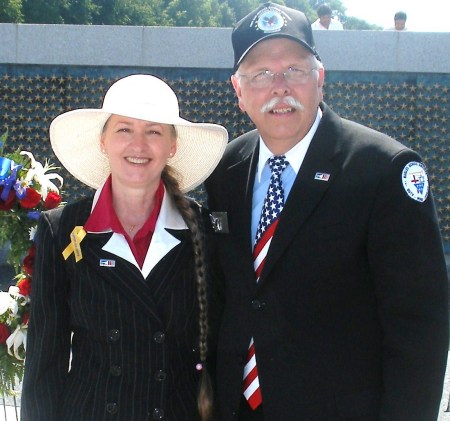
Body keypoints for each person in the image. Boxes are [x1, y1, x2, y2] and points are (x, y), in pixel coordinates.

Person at [205, 2, 449, 420]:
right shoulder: (225, 168)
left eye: (294, 70)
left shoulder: (382, 169)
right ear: (238, 91)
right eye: (261, 74)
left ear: (320, 78)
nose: (279, 86)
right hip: (237, 407)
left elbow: (419, 328)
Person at [21, 74, 228, 421]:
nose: (139, 144)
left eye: (154, 131)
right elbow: (46, 358)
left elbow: (220, 353)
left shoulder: (204, 231)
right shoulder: (61, 230)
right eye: (124, 129)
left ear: (172, 146)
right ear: (103, 140)